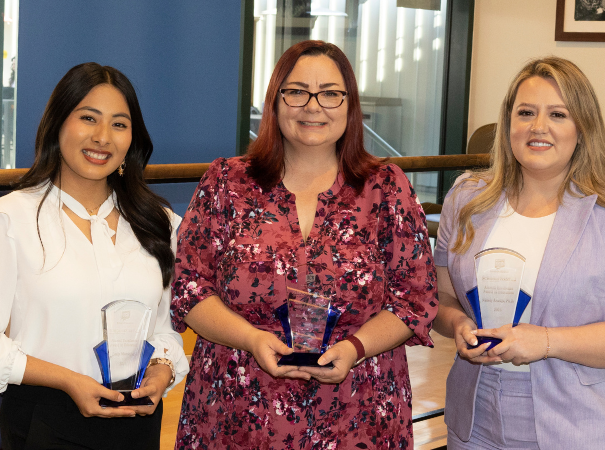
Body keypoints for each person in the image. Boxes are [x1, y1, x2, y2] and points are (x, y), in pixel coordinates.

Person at [171, 40, 438, 449]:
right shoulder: (226, 182)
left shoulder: (386, 188)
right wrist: (250, 339)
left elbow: (414, 299)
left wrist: (355, 348)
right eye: (296, 91)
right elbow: (190, 288)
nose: (314, 106)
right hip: (236, 414)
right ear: (275, 102)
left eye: (331, 93)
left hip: (359, 413)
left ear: (350, 105)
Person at [0, 62, 189, 450]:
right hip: (44, 424)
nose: (102, 137)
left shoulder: (158, 223)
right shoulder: (7, 220)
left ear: (132, 139)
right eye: (88, 118)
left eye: (119, 124)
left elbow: (162, 329)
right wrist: (67, 380)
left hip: (137, 426)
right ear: (58, 124)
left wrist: (161, 369)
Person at [433, 56, 605, 449]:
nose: (539, 127)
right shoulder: (466, 198)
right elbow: (441, 298)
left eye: (557, 114)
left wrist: (546, 341)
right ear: (508, 125)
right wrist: (457, 325)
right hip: (474, 419)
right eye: (526, 113)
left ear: (582, 128)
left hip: (578, 423)